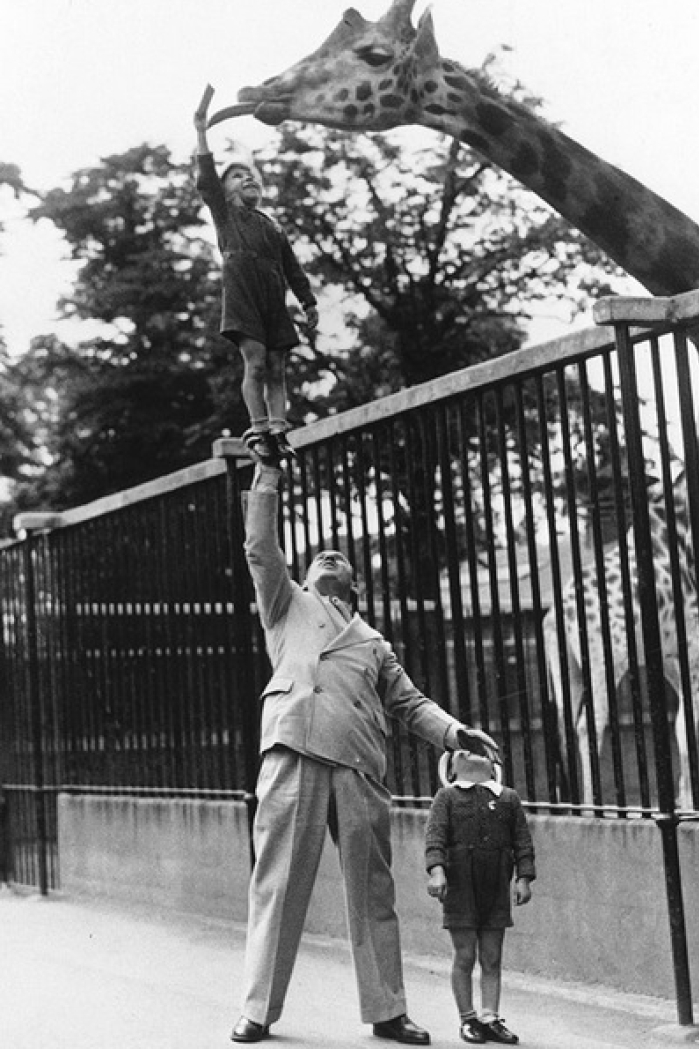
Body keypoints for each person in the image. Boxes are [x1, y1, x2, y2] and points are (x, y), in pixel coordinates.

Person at [230, 451, 500, 1045]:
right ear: (301, 577)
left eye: (341, 558)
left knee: (374, 892)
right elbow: (258, 546)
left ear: (354, 585)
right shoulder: (286, 605)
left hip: (358, 766)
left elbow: (410, 703)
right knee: (277, 885)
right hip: (294, 752)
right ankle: (257, 1009)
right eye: (318, 557)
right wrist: (268, 471)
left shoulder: (375, 641)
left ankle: (386, 1010)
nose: (330, 556)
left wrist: (456, 732)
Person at [194, 85, 318, 462]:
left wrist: (308, 303)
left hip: (272, 298)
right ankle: (260, 427)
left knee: (278, 366)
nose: (246, 179)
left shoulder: (272, 226)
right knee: (257, 361)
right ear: (225, 190)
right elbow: (207, 178)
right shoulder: (225, 215)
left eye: (250, 176)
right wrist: (201, 132)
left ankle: (280, 429)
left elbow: (293, 269)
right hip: (244, 296)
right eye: (236, 177)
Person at [425, 750, 536, 1045]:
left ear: (493, 764)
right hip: (461, 887)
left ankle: (490, 1017)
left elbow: (522, 841)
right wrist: (437, 872)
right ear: (452, 766)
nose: (471, 751)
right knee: (465, 955)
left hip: (495, 887)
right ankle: (467, 1018)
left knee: (492, 956)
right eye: (463, 749)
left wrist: (523, 877)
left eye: (479, 749)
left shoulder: (508, 798)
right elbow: (435, 838)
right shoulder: (446, 797)